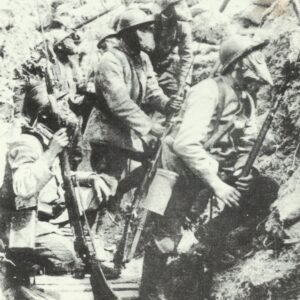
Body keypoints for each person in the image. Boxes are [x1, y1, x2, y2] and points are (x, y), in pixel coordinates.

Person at [139, 35, 279, 300]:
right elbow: (186, 144)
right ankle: (149, 292)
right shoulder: (207, 91)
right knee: (166, 238)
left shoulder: (245, 99)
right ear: (239, 65)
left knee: (263, 189)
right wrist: (217, 184)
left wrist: (240, 170)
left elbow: (247, 140)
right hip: (178, 171)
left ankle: (208, 242)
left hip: (211, 170)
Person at [0, 83, 117, 294]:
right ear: (44, 114)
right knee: (67, 258)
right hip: (21, 223)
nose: (68, 110)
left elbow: (59, 177)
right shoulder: (26, 143)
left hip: (45, 214)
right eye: (61, 105)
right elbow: (22, 186)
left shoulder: (46, 139)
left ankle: (71, 251)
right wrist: (51, 152)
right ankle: (20, 267)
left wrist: (91, 178)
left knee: (100, 188)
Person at [83, 9, 181, 180]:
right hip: (106, 132)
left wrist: (166, 103)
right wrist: (150, 126)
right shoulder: (110, 60)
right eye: (142, 30)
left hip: (126, 129)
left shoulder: (142, 58)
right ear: (127, 34)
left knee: (155, 161)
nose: (148, 34)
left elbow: (152, 90)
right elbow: (119, 102)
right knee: (106, 181)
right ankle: (102, 204)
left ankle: (119, 195)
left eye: (149, 29)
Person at [150, 0, 193, 97]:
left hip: (166, 70)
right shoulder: (149, 21)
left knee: (178, 95)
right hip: (147, 68)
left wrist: (184, 82)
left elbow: (187, 55)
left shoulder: (182, 24)